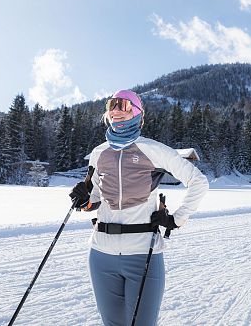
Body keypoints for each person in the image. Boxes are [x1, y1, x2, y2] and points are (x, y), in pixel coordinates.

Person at [69, 89, 209, 326]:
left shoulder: (153, 150)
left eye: (123, 105)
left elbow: (199, 181)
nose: (115, 110)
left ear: (138, 113)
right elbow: (94, 197)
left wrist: (176, 219)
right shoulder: (99, 153)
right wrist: (83, 200)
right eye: (111, 105)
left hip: (142, 254)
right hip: (101, 255)